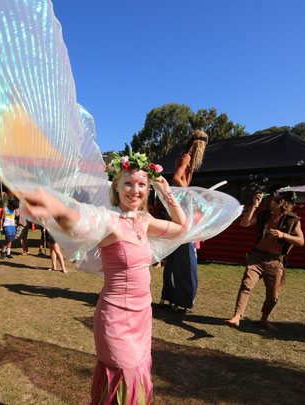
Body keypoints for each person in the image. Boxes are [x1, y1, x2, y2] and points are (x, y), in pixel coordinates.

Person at [21, 155, 187, 404]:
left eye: (142, 184)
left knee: (138, 376)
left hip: (143, 315)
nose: (135, 190)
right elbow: (79, 220)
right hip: (116, 318)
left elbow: (182, 228)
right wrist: (55, 206)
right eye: (128, 183)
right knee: (123, 376)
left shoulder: (144, 221)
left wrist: (166, 192)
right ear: (116, 187)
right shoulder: (109, 220)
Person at [225, 189, 304, 331]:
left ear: (284, 201)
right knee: (246, 285)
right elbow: (244, 223)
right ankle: (237, 316)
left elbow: (301, 241)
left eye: (277, 195)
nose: (272, 197)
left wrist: (283, 235)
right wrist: (254, 205)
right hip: (257, 257)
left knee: (273, 296)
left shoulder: (293, 219)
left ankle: (264, 319)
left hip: (275, 261)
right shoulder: (263, 215)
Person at [160, 129, 208, 312]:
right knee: (186, 257)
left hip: (183, 207)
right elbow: (176, 178)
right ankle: (183, 299)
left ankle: (172, 298)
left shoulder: (190, 161)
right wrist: (191, 194)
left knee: (176, 257)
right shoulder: (186, 157)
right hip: (182, 210)